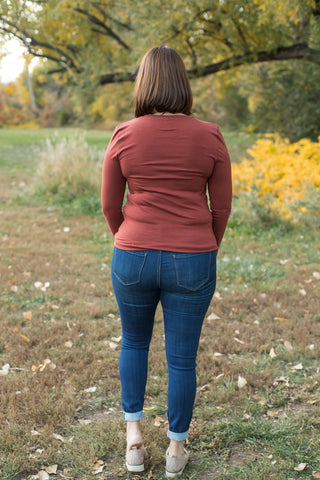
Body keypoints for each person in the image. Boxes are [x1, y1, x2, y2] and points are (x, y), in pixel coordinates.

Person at [101, 45, 232, 478]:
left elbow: (109, 205)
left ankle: (134, 439)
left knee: (133, 342)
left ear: (143, 84)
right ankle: (176, 452)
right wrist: (204, 244)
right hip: (193, 259)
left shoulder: (124, 134)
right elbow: (221, 208)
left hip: (132, 256)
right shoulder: (210, 135)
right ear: (183, 84)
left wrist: (128, 238)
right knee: (182, 359)